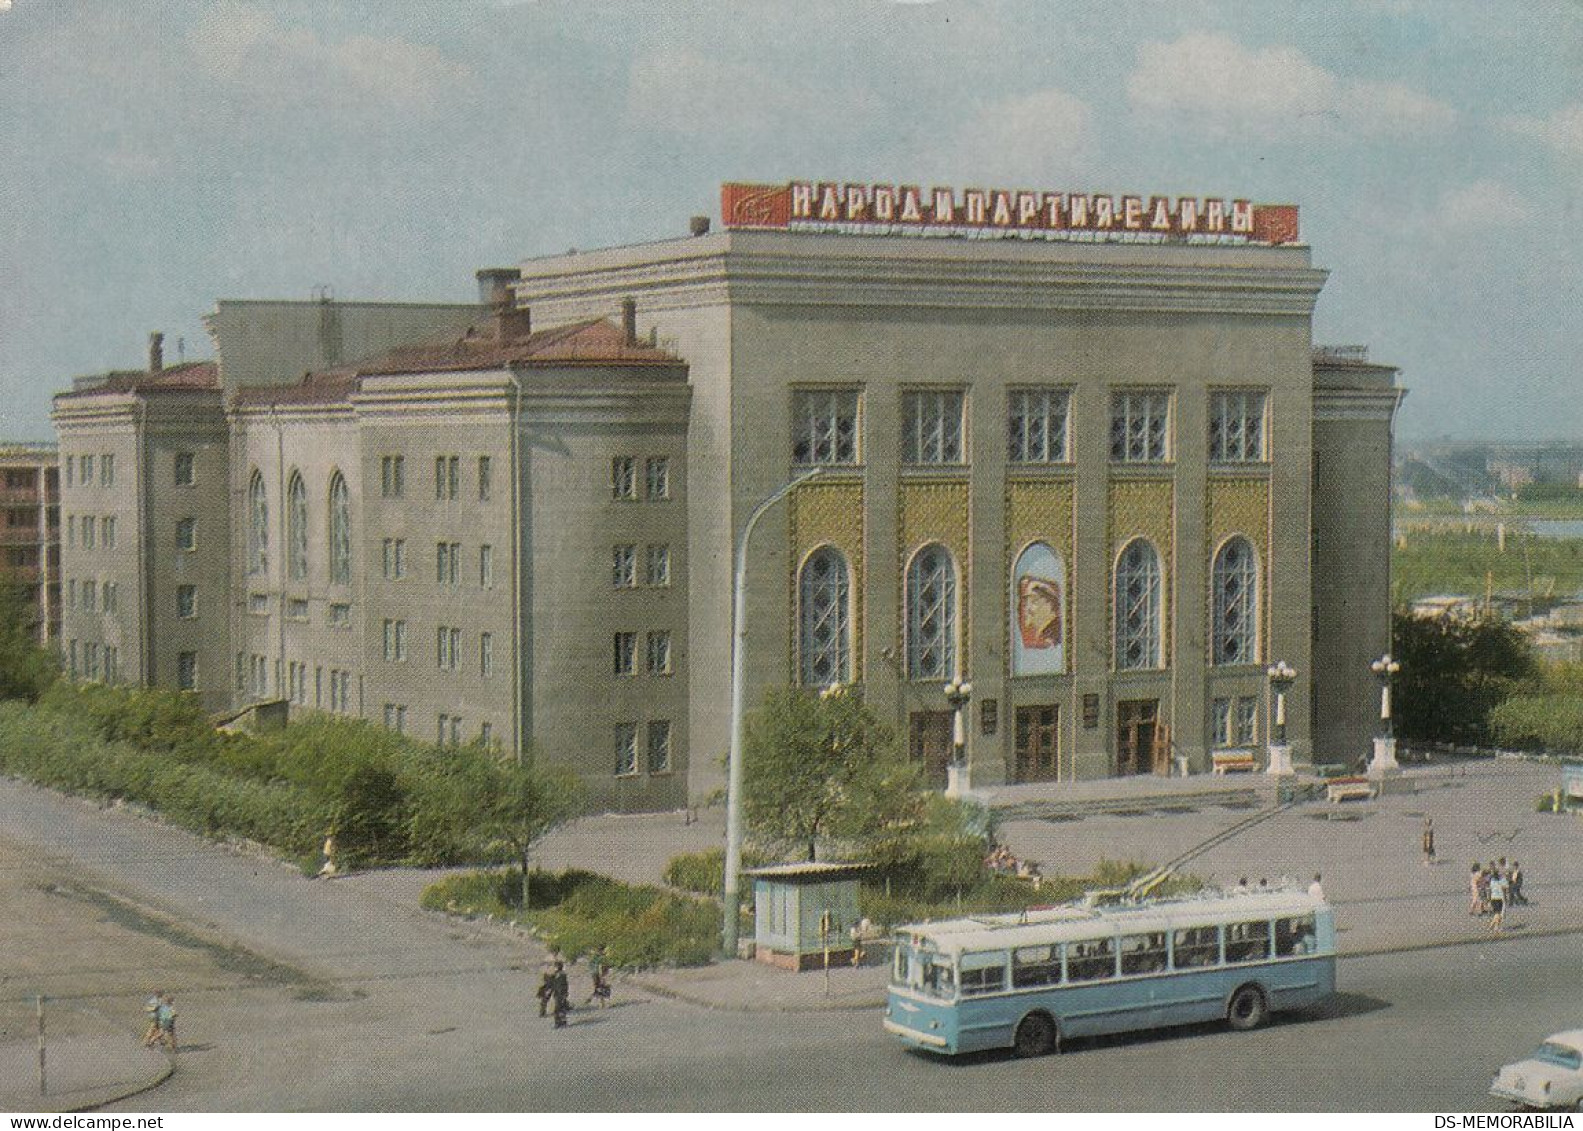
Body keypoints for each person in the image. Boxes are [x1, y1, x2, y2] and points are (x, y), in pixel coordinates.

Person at [548, 961, 570, 1028]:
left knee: (558, 1009)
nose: (555, 968)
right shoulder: (556, 974)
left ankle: (559, 1022)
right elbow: (552, 983)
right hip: (558, 993)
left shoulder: (562, 975)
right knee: (560, 1008)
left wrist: (565, 993)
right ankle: (562, 1022)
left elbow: (564, 985)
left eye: (556, 966)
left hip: (561, 993)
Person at [1488, 868, 1507, 932]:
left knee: (1496, 913)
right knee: (1498, 914)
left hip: (1493, 898)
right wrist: (1505, 898)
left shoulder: (1492, 881)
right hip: (1499, 898)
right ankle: (1496, 927)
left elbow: (1490, 890)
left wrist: (1489, 899)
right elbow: (1504, 889)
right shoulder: (1502, 880)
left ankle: (1492, 926)